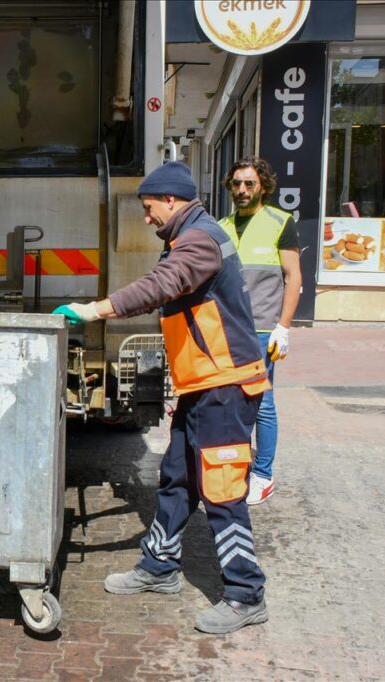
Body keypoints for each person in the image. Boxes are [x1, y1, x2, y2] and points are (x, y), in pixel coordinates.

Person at [54, 162, 270, 635]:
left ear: (170, 200)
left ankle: (245, 592)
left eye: (149, 208)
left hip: (227, 386)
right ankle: (160, 567)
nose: (147, 217)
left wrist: (94, 310)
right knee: (177, 477)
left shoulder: (199, 241)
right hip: (204, 385)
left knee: (222, 489)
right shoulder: (188, 236)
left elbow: (158, 287)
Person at [219, 157, 301, 506]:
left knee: (263, 404)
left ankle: (263, 476)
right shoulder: (221, 226)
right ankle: (236, 466)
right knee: (231, 402)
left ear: (263, 187)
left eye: (249, 184)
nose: (241, 190)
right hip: (227, 330)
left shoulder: (280, 222)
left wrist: (284, 326)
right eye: (236, 183)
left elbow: (293, 277)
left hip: (263, 330)